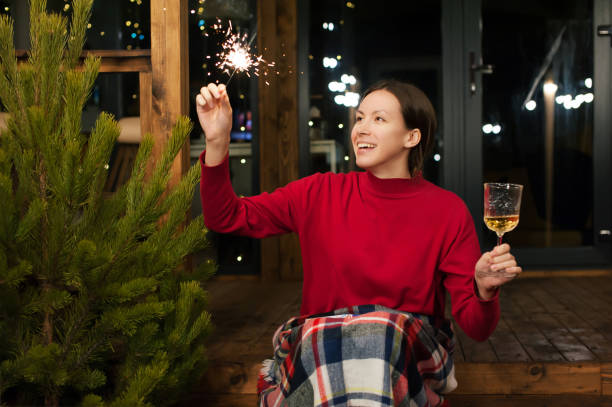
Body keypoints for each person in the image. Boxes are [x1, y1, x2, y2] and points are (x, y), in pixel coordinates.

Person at [196, 80, 521, 407]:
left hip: (406, 352)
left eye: (378, 119)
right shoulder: (318, 193)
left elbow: (476, 328)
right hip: (322, 349)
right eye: (360, 118)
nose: (362, 129)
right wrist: (217, 141)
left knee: (380, 334)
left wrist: (484, 290)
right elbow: (226, 217)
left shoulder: (448, 211)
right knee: (335, 338)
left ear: (412, 137)